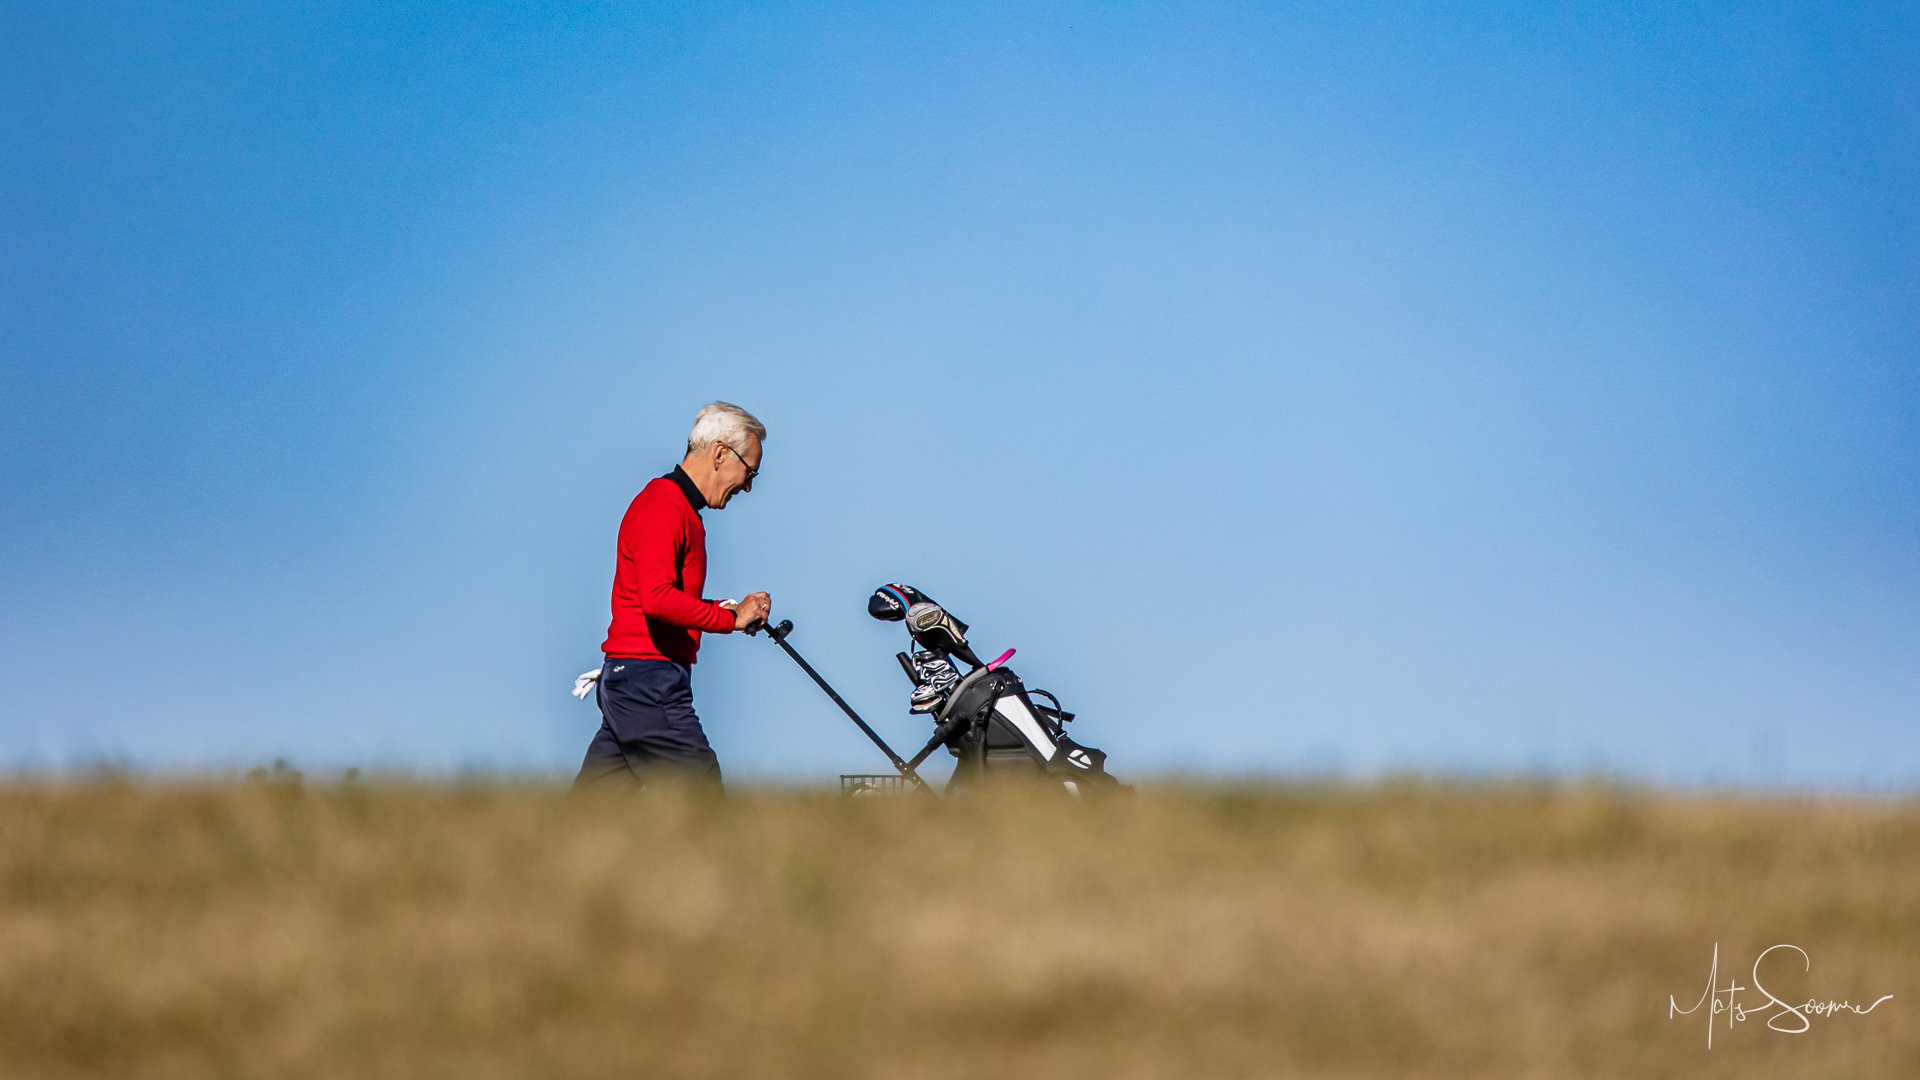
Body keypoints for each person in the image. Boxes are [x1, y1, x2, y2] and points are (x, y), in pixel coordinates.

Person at [572, 402, 771, 791]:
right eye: (749, 472)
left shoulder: (678, 508)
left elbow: (665, 597)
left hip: (634, 681)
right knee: (702, 794)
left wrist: (726, 609)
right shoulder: (665, 505)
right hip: (648, 682)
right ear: (719, 453)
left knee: (591, 816)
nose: (748, 487)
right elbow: (658, 599)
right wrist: (729, 621)